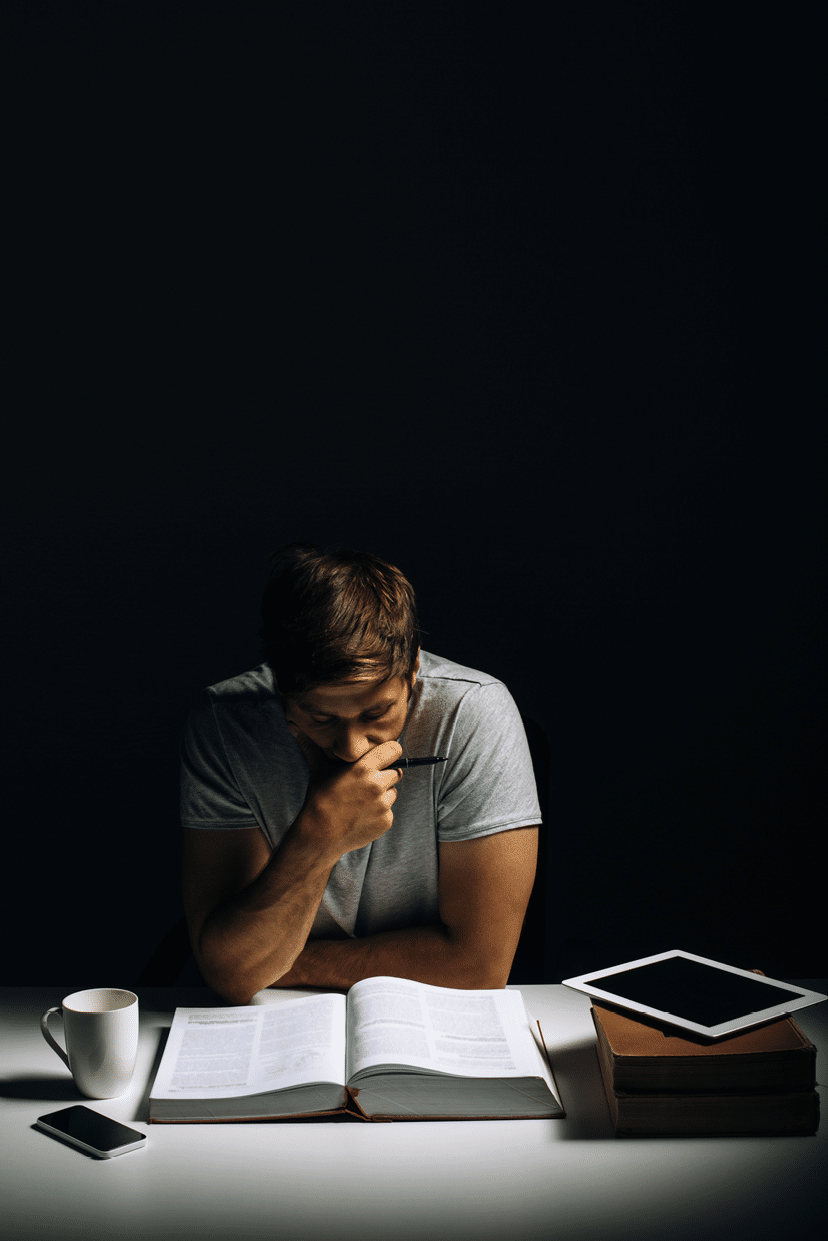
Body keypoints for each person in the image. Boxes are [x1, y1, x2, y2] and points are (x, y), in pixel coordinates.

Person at [181, 543, 541, 1004]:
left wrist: (281, 962)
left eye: (377, 713)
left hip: (435, 1013)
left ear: (412, 669)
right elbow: (231, 975)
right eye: (321, 719)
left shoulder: (473, 713)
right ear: (281, 692)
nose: (352, 749)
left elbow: (477, 965)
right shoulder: (223, 724)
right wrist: (319, 837)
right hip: (274, 1020)